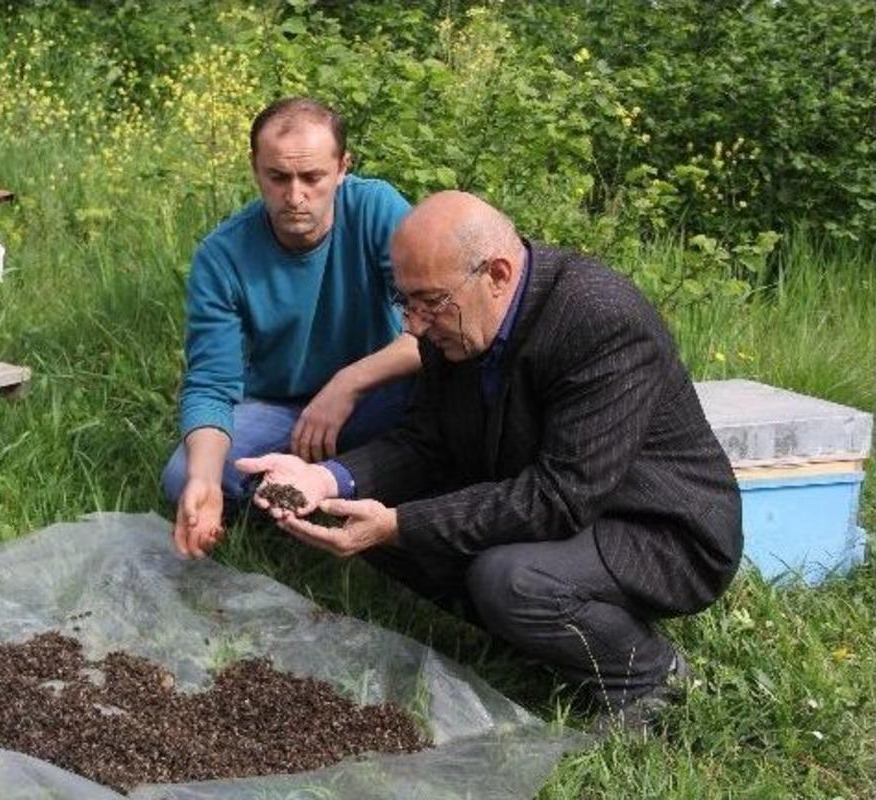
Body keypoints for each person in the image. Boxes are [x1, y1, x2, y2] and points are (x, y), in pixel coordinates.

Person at [235, 191, 743, 728]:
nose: (413, 325)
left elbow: (558, 498)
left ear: (497, 274)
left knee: (507, 579)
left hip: (660, 529)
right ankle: (533, 629)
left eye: (428, 303)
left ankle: (648, 674)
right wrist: (326, 478)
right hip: (558, 498)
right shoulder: (450, 315)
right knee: (362, 506)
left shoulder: (600, 319)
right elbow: (423, 443)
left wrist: (397, 526)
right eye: (404, 300)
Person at [165, 97, 420, 558]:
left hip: (381, 389)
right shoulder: (222, 255)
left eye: (312, 178)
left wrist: (349, 383)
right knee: (184, 475)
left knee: (450, 400)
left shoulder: (376, 210)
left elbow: (434, 329)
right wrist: (204, 480)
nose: (295, 195)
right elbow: (210, 384)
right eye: (278, 177)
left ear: (343, 167)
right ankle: (322, 478)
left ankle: (331, 476)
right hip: (283, 406)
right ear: (255, 169)